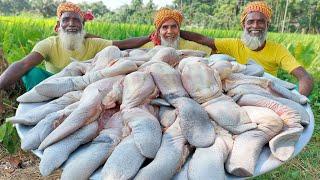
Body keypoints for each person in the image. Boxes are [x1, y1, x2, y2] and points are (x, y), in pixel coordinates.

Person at [0, 2, 149, 91]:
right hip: (53, 85)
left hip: (82, 87)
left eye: (76, 20)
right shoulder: (49, 44)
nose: (71, 23)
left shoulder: (94, 43)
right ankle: (40, 103)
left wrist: (148, 37)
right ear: (58, 25)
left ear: (83, 26)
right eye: (66, 20)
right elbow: (23, 64)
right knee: (31, 73)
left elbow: (123, 45)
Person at [182, 1, 313, 96]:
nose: (255, 25)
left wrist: (299, 100)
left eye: (261, 21)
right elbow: (202, 39)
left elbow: (304, 77)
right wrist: (175, 31)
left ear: (267, 25)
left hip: (266, 93)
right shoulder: (233, 45)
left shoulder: (278, 50)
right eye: (250, 21)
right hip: (236, 91)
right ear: (243, 25)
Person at [142, 7, 212, 56]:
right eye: (165, 27)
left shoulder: (191, 46)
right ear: (158, 31)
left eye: (174, 26)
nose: (170, 31)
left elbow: (212, 55)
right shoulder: (148, 47)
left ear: (179, 28)